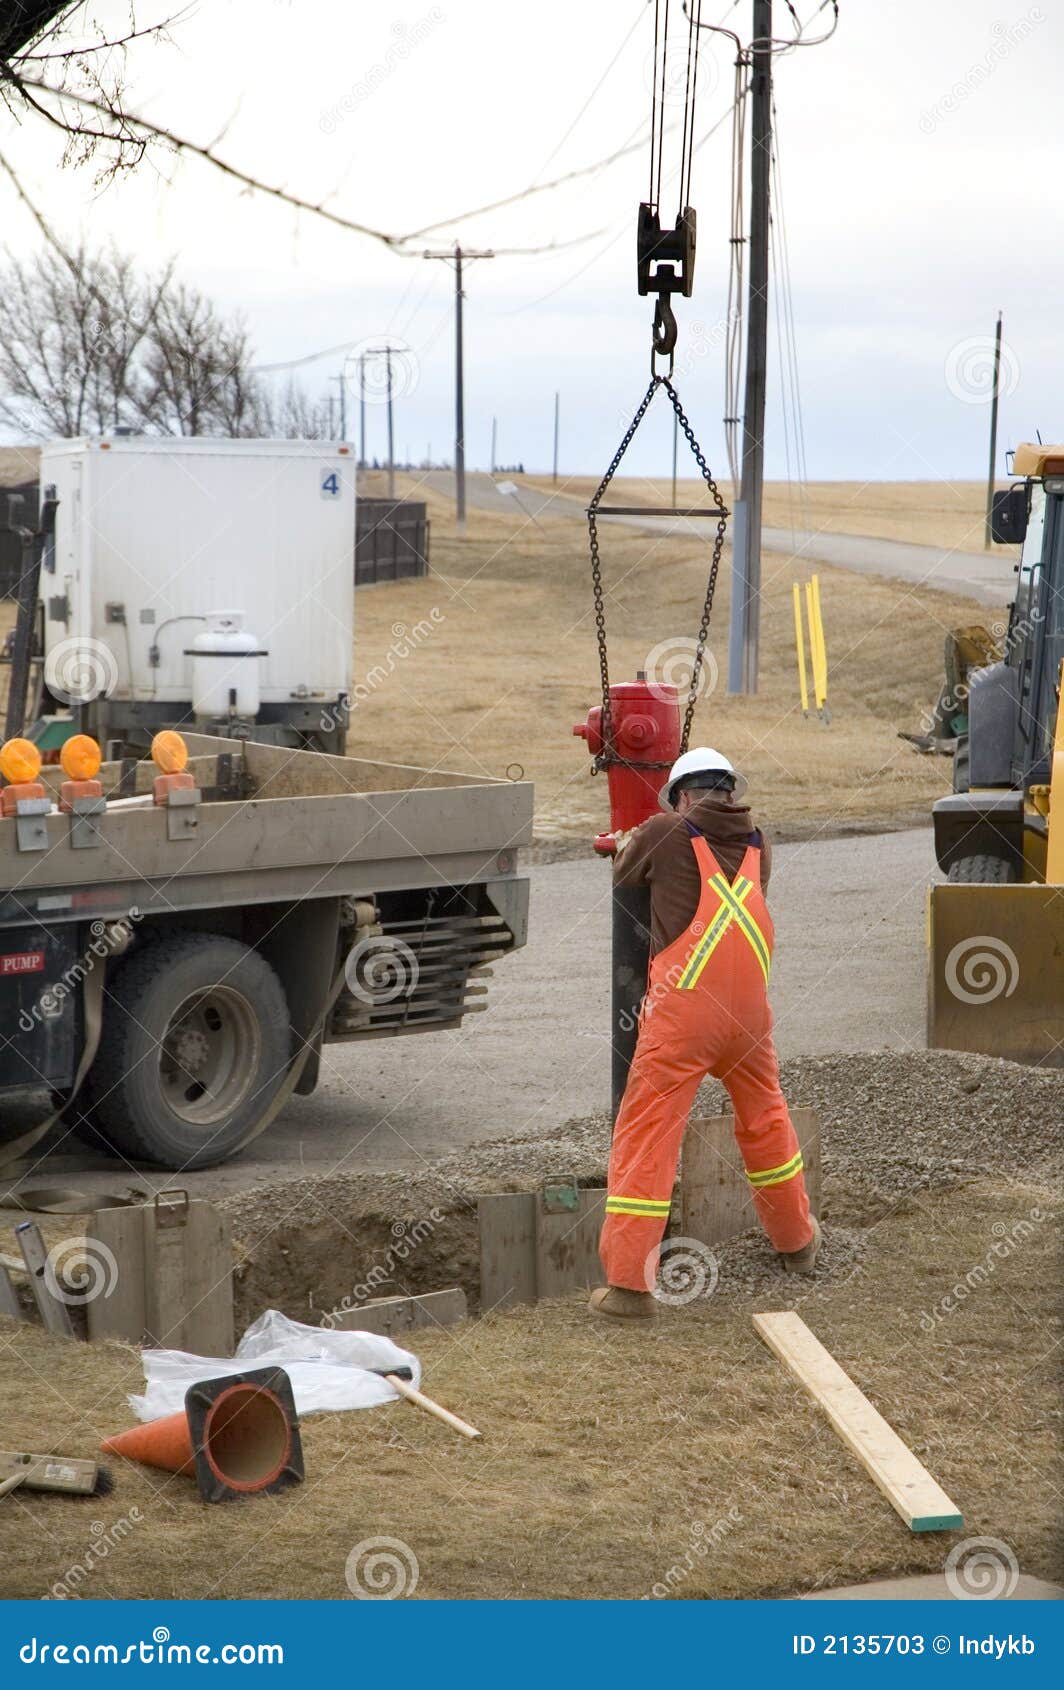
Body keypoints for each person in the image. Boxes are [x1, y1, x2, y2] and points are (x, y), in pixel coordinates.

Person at [591, 747, 820, 1319]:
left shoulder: (667, 831)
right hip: (749, 1022)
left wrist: (629, 834)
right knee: (766, 1120)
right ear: (729, 792)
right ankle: (798, 1243)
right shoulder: (759, 844)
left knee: (649, 1134)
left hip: (684, 1020)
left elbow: (625, 866)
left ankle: (628, 1288)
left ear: (684, 796)